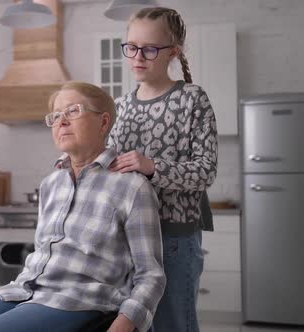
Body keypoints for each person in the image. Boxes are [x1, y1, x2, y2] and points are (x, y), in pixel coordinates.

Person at [0, 81, 165, 332]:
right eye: (56, 116)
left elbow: (151, 275)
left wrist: (125, 323)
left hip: (80, 299)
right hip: (24, 290)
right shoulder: (51, 184)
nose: (62, 121)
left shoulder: (132, 187)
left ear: (103, 122)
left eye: (73, 111)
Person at [107, 7, 218, 332]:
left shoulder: (192, 99)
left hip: (174, 237)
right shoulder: (121, 106)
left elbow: (205, 171)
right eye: (131, 47)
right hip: (127, 239)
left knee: (173, 325)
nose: (138, 57)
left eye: (150, 49)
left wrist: (151, 166)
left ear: (174, 52)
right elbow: (110, 165)